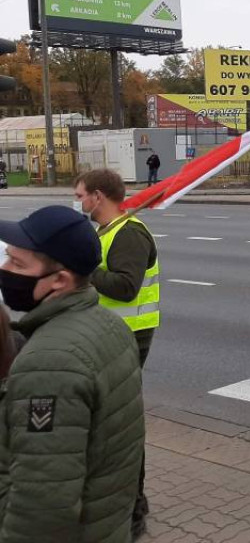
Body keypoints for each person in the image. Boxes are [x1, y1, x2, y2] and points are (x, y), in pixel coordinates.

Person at [0, 206, 144, 540]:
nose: (4, 271)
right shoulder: (108, 323)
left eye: (17, 263)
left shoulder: (49, 363)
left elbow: (42, 508)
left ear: (60, 280)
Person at [73, 169, 160, 539]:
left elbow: (126, 287)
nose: (78, 202)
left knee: (120, 423)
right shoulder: (106, 231)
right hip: (110, 335)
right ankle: (123, 500)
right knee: (108, 421)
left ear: (97, 195)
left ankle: (134, 506)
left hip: (129, 337)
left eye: (80, 195)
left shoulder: (130, 234)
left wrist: (84, 268)